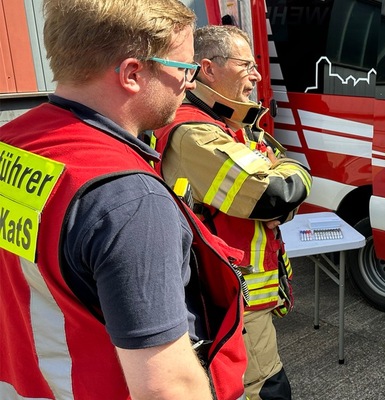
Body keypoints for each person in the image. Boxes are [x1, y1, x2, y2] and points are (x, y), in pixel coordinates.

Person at [0, 0, 249, 399]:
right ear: (133, 73)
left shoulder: (12, 144)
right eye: (184, 69)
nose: (189, 84)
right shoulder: (130, 202)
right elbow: (167, 388)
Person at [151, 25, 312, 400]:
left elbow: (275, 187)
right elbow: (276, 193)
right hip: (232, 299)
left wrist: (276, 194)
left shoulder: (228, 125)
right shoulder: (196, 132)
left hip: (242, 295)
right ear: (208, 68)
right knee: (265, 389)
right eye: (247, 65)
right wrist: (287, 182)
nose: (257, 75)